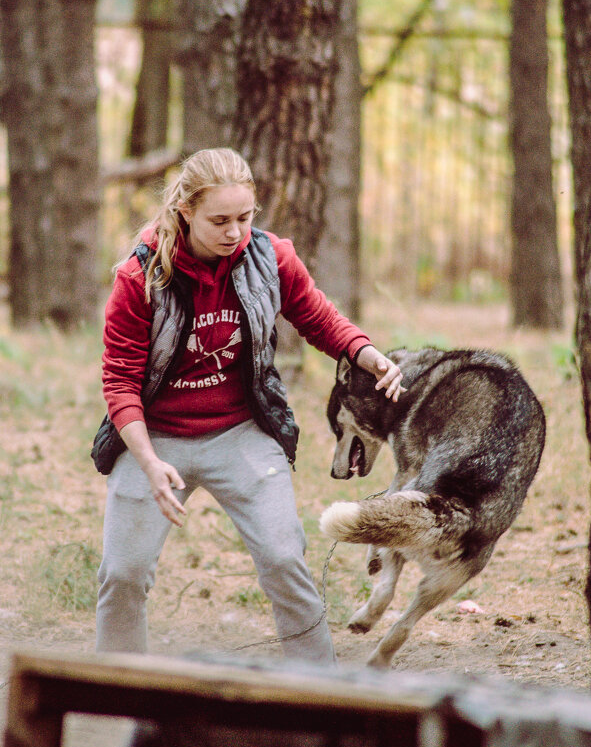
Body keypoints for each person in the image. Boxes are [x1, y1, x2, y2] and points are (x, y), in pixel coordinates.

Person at [96, 148, 403, 664]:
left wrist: (365, 354)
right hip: (155, 439)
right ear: (185, 212)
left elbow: (317, 316)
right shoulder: (139, 278)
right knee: (122, 574)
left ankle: (319, 696)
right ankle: (109, 697)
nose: (234, 231)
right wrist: (148, 463)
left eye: (245, 217)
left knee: (285, 559)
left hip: (241, 431)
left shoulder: (270, 258)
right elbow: (120, 382)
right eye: (219, 220)